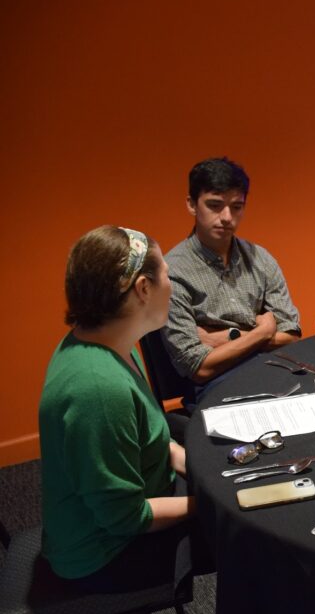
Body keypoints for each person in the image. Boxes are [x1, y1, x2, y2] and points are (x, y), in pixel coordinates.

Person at [39, 226, 197, 592]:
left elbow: (155, 439)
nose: (171, 287)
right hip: (104, 553)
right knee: (252, 538)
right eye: (168, 277)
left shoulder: (111, 341)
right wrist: (210, 503)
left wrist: (200, 469)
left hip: (139, 500)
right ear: (143, 288)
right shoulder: (98, 388)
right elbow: (126, 518)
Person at [162, 157, 301, 399]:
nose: (227, 217)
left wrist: (226, 337)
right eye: (215, 205)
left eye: (236, 207)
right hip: (217, 387)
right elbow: (199, 368)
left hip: (273, 371)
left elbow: (291, 336)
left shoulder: (260, 258)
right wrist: (262, 332)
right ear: (192, 205)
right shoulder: (173, 272)